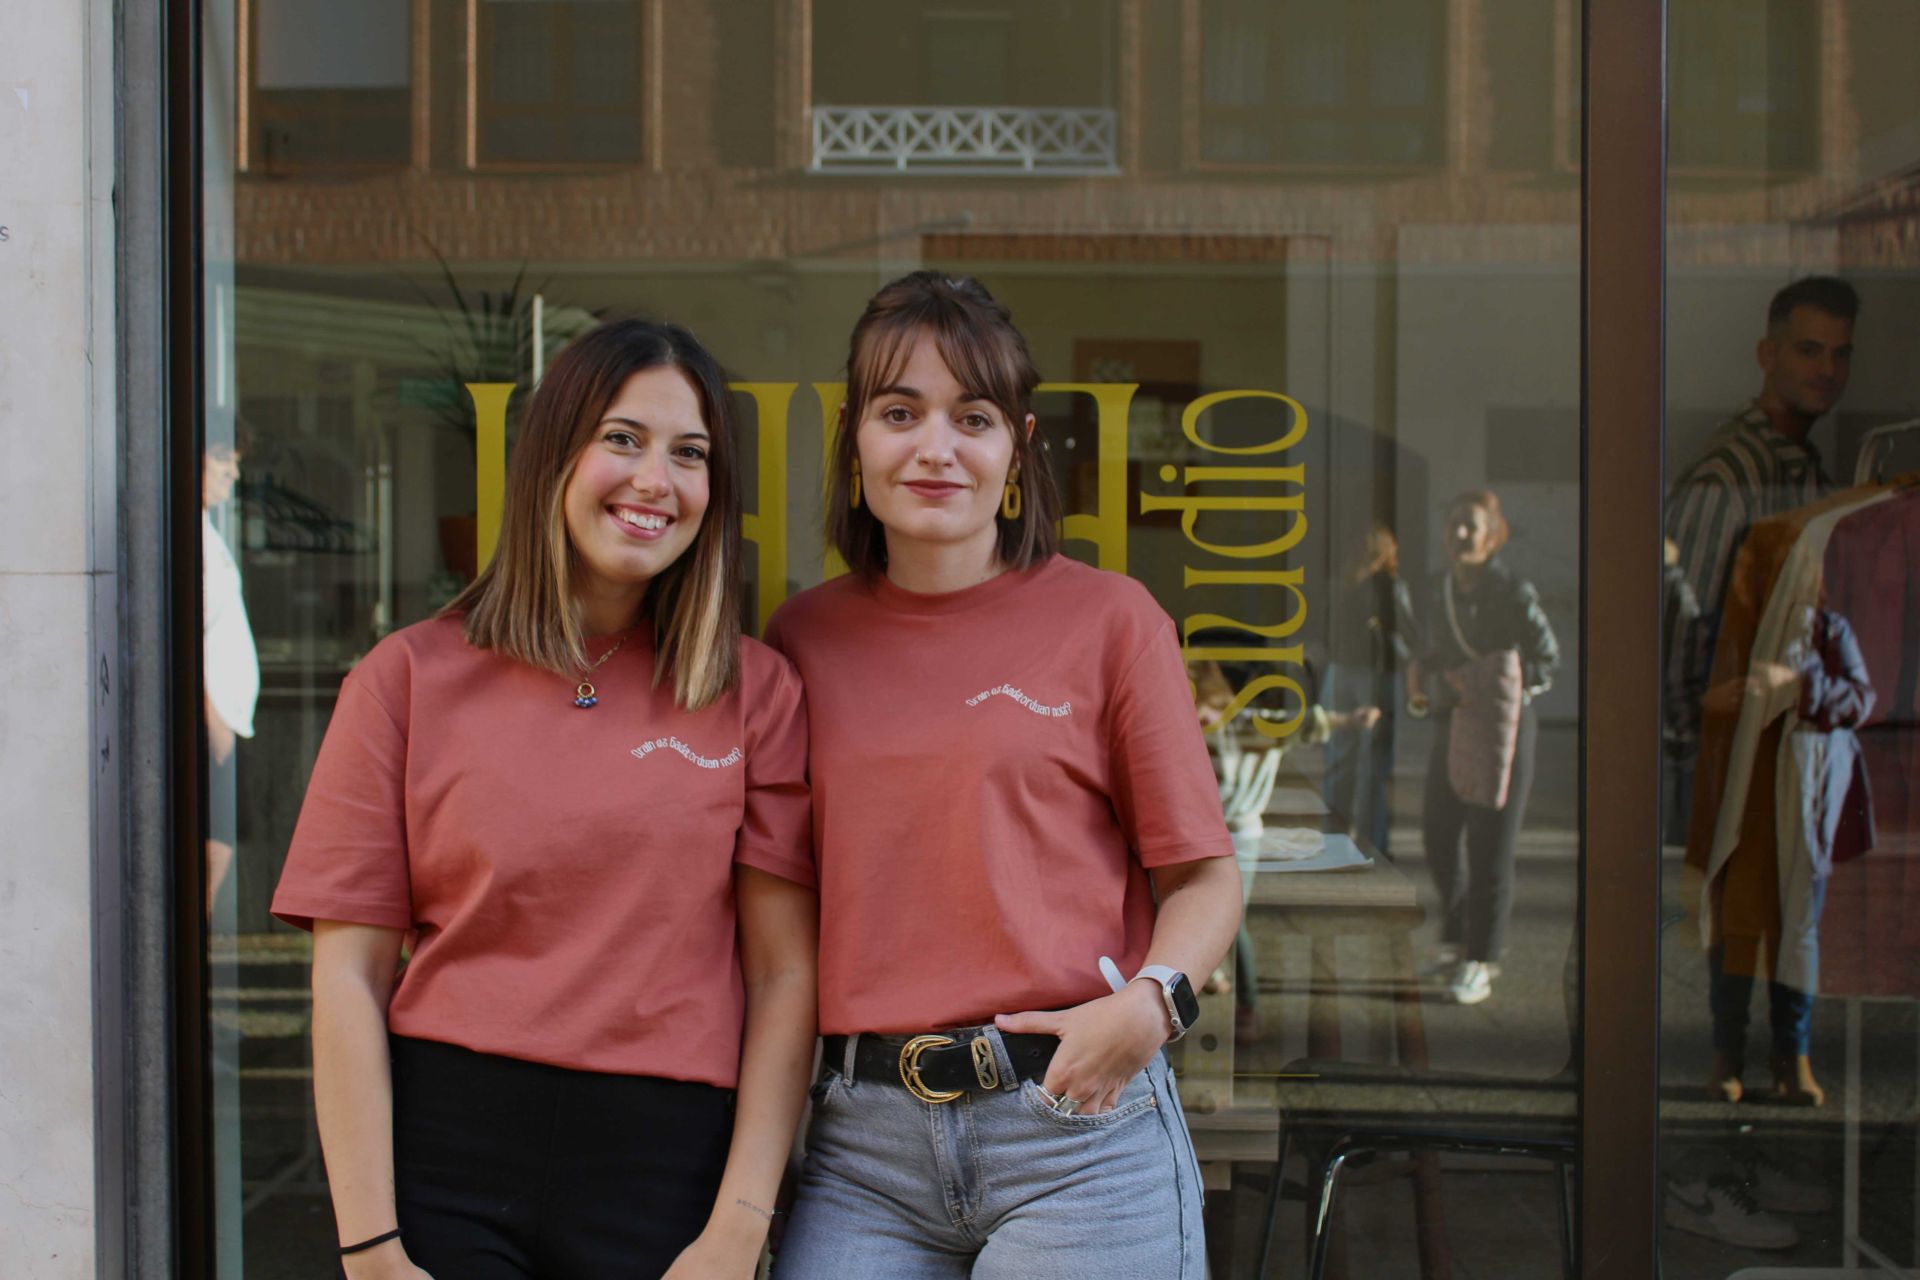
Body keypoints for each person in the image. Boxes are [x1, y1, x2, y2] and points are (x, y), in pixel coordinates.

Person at [270, 320, 817, 1280]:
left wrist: (739, 1225)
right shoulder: (406, 680)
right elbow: (346, 978)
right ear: (553, 456)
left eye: (690, 454)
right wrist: (369, 1247)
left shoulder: (755, 692)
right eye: (622, 438)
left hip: (667, 1173)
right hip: (446, 1161)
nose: (657, 480)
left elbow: (782, 979)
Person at [765, 271, 1243, 1278]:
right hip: (863, 1147)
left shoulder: (1111, 622)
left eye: (972, 416)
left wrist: (1152, 1005)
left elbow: (1203, 876)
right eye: (900, 412)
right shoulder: (799, 642)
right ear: (856, 438)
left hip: (1076, 1127)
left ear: (1018, 446)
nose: (935, 446)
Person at [1665, 276, 1856, 829]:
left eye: (1840, 355)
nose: (1826, 370)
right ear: (1767, 355)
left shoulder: (1805, 469)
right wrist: (1691, 769)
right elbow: (1682, 631)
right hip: (1721, 771)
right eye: (1808, 350)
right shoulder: (1729, 473)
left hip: (1782, 766)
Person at [1408, 489, 1559, 1006]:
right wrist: (1429, 680)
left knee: (1491, 843)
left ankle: (1482, 957)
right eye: (1454, 524)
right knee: (1438, 832)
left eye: (1472, 526)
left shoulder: (1512, 590)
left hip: (1507, 728)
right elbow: (1428, 652)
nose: (1462, 534)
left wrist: (1492, 681)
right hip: (1455, 723)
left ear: (1494, 536)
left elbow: (1547, 659)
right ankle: (1455, 936)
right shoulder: (1436, 589)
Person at [1322, 523, 1415, 857]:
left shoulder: (1344, 583)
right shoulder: (1388, 585)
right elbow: (1407, 631)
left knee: (1343, 758)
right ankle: (1372, 841)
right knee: (1372, 762)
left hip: (1342, 670)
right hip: (1372, 674)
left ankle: (1336, 837)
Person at [203, 437, 258, 921]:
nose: (232, 475)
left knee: (222, 841)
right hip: (215, 718)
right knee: (215, 844)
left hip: (226, 716)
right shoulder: (189, 535)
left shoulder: (207, 530)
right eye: (223, 460)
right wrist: (211, 715)